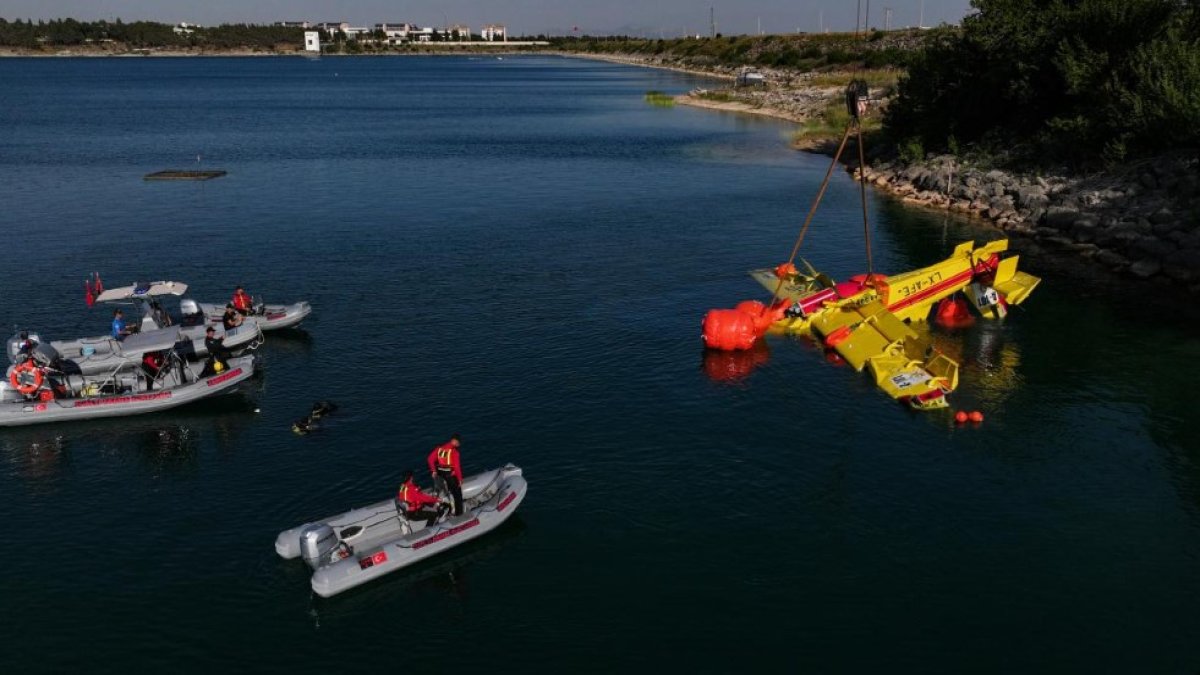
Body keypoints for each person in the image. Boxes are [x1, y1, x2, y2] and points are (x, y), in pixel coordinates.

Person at [427, 434, 464, 516]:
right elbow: (457, 467)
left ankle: (440, 504)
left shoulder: (439, 449)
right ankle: (459, 514)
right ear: (454, 441)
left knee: (443, 489)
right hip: (449, 475)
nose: (459, 444)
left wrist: (433, 470)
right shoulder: (454, 452)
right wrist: (460, 479)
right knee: (458, 495)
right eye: (458, 442)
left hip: (440, 474)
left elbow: (430, 459)